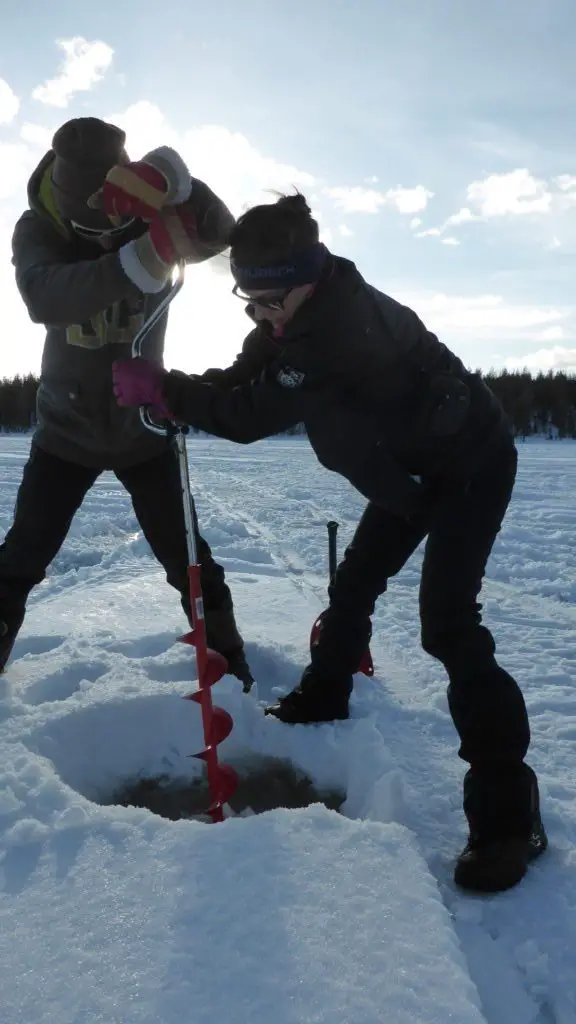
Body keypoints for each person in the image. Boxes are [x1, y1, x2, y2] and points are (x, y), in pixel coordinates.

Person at [111, 191, 547, 893]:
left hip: (469, 463)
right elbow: (240, 377)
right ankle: (325, 692)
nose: (260, 314)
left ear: (306, 278)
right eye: (247, 301)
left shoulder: (334, 330)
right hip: (405, 471)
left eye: (270, 300)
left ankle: (509, 817)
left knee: (448, 623)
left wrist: (170, 390)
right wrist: (179, 391)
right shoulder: (291, 316)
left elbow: (248, 415)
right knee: (354, 584)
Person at [4, 116, 253, 690]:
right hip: (65, 434)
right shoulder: (35, 229)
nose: (102, 235)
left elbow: (220, 230)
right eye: (89, 228)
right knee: (21, 557)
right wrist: (143, 254)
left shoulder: (144, 207)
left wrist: (171, 179)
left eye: (110, 226)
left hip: (146, 429)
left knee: (187, 558)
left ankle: (226, 657)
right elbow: (46, 297)